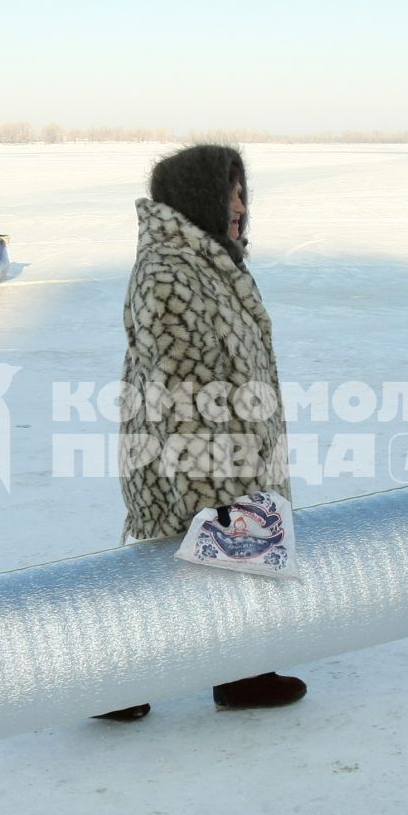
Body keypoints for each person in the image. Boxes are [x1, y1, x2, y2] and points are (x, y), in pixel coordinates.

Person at [94, 144, 305, 722]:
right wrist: (206, 493)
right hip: (191, 459)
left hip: (231, 453)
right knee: (179, 569)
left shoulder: (210, 263)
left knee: (219, 566)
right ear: (197, 198)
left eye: (242, 191)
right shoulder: (169, 273)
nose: (241, 205)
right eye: (229, 192)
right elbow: (177, 395)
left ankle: (241, 673)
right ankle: (113, 683)